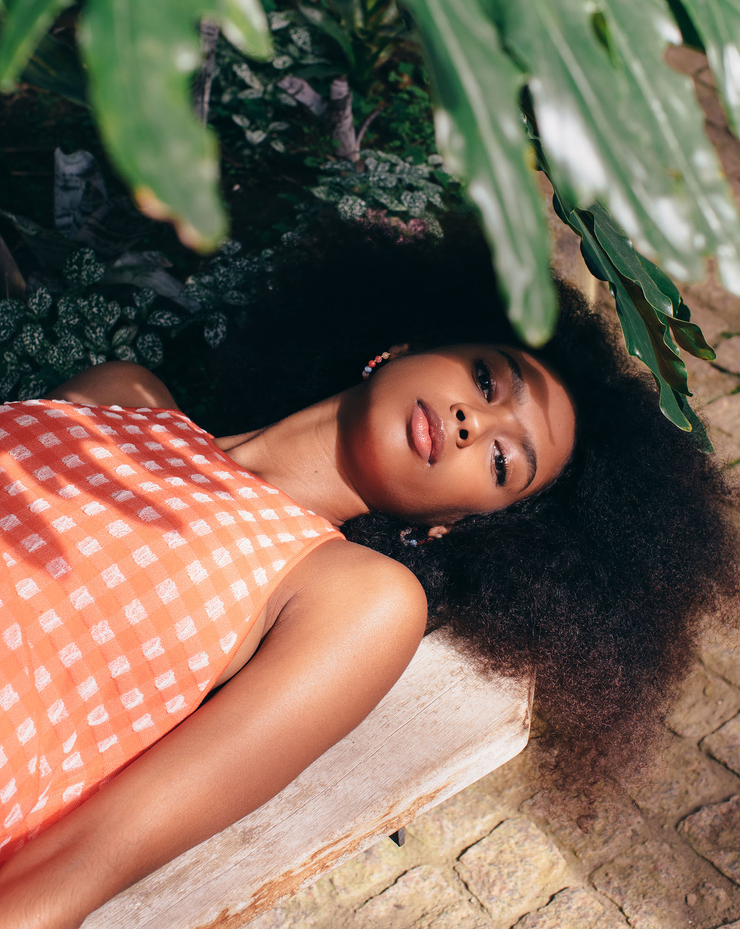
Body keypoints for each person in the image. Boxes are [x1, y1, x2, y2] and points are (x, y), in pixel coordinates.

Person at [0, 218, 736, 928]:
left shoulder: (356, 598)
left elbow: (82, 864)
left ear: (454, 526)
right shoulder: (122, 396)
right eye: (486, 380)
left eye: (502, 461)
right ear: (402, 348)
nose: (472, 423)